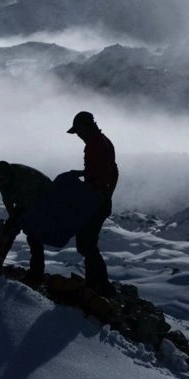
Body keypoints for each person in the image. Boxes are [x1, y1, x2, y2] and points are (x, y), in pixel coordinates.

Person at [67, 111, 118, 296]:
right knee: (87, 243)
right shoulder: (101, 141)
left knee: (86, 243)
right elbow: (112, 171)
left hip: (95, 201)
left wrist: (91, 188)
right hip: (100, 199)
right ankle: (94, 283)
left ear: (86, 127)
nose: (78, 135)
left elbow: (100, 173)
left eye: (78, 131)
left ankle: (101, 286)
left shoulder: (95, 145)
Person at [0, 161, 52, 282]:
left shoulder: (26, 179)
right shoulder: (2, 179)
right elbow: (7, 200)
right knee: (9, 229)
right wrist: (12, 219)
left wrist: (17, 219)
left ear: (6, 177)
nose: (0, 185)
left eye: (1, 181)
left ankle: (36, 274)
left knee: (33, 235)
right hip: (25, 201)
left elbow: (29, 205)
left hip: (43, 200)